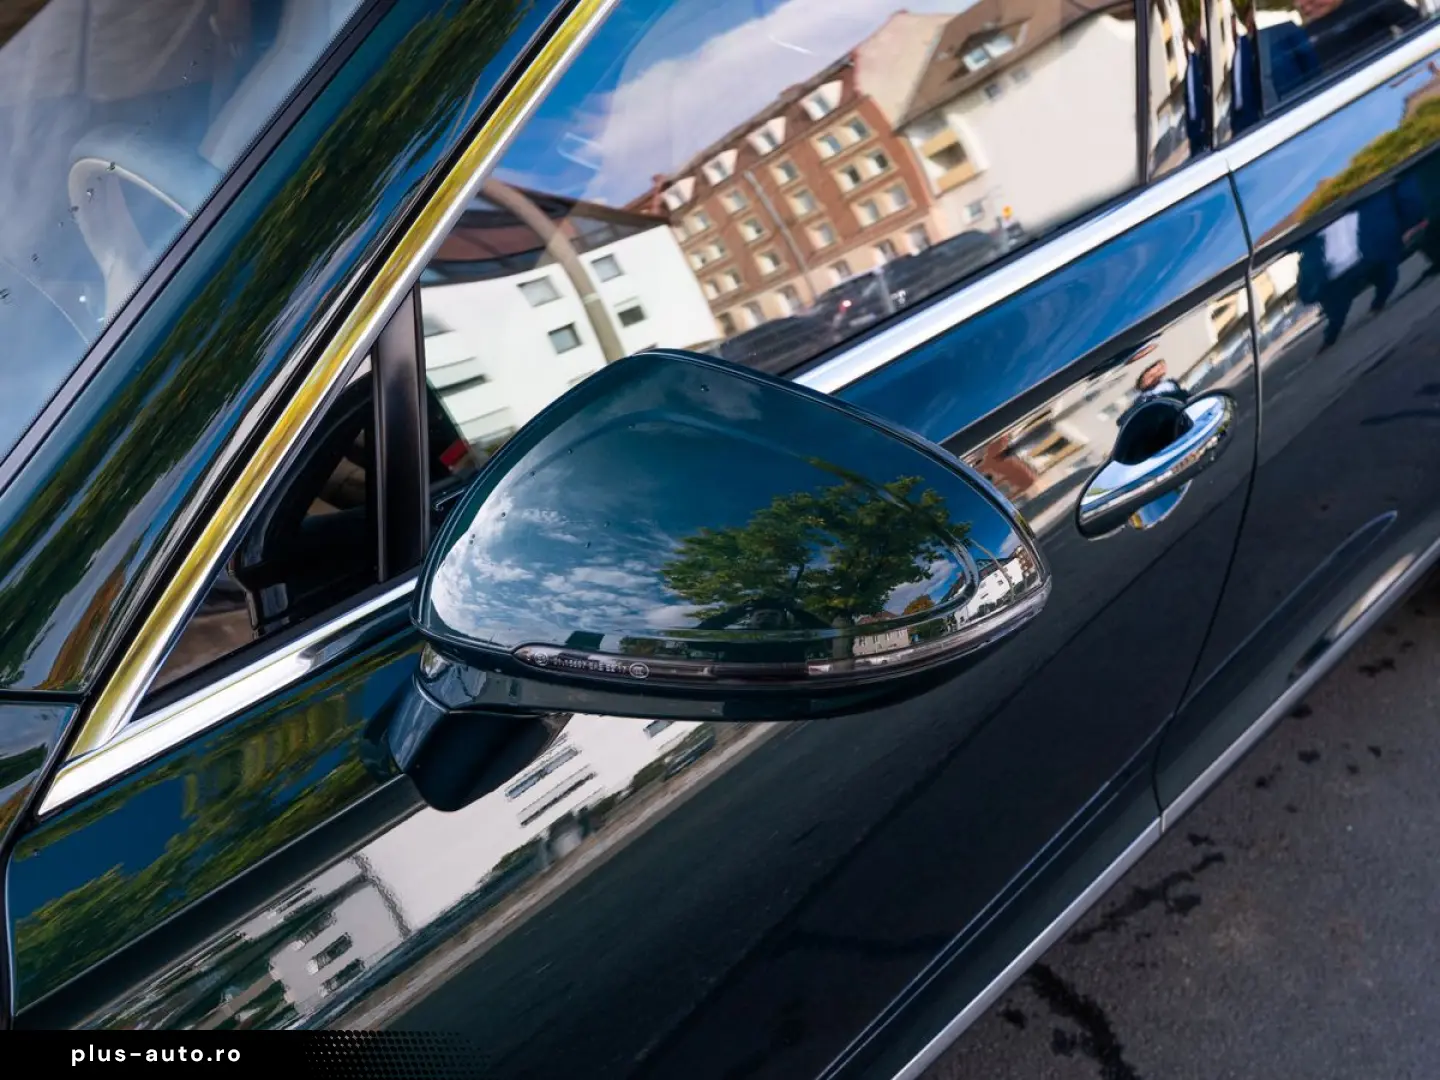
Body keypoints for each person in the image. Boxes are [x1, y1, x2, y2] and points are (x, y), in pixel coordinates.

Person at [1264, 0, 1422, 105]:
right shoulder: (1299, 39)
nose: (1302, 3)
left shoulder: (1371, 4)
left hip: (1395, 89)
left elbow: (1422, 33)